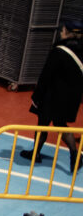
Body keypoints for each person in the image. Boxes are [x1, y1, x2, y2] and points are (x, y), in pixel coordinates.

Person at [20, 21, 83, 163]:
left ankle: (36, 153)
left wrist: (37, 96)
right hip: (70, 98)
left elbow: (46, 75)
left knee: (42, 123)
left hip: (52, 96)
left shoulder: (59, 51)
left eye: (63, 30)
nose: (61, 32)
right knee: (61, 125)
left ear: (68, 33)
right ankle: (75, 155)